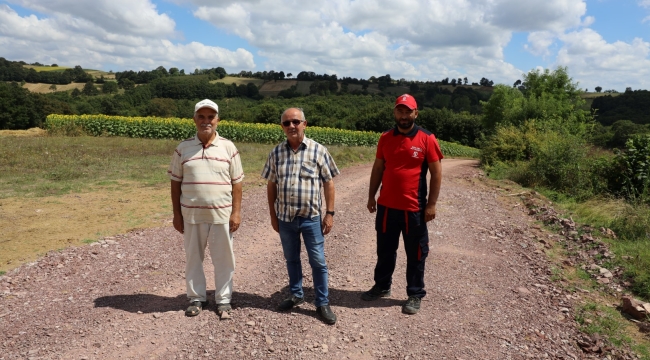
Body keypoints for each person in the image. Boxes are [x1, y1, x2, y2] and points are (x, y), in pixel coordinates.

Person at [362, 94, 443, 315]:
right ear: (394, 112)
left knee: (416, 253)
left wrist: (431, 204)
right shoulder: (385, 137)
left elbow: (436, 174)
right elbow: (378, 168)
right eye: (400, 111)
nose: (404, 115)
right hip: (387, 206)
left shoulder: (427, 139)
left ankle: (415, 294)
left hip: (414, 208)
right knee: (385, 251)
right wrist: (371, 196)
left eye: (408, 111)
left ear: (416, 113)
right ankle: (382, 286)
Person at [261, 107, 340, 325]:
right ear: (282, 127)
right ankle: (296, 294)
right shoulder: (276, 153)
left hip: (311, 218)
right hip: (286, 218)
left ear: (305, 124)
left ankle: (322, 302)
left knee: (318, 261)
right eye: (286, 123)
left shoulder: (318, 150)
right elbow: (271, 185)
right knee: (291, 259)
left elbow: (329, 183)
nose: (291, 126)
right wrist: (272, 215)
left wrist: (330, 213)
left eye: (295, 122)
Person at [168, 99, 244, 319]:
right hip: (191, 214)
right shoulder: (183, 148)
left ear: (218, 120)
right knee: (193, 257)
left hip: (221, 214)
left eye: (210, 117)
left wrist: (236, 212)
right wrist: (176, 214)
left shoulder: (228, 147)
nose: (206, 121)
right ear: (194, 119)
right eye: (201, 116)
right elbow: (175, 182)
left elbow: (237, 183)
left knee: (224, 259)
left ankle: (223, 300)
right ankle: (196, 298)